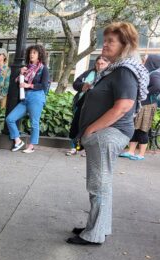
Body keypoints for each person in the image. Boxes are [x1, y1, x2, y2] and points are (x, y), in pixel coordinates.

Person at [67, 22, 149, 245]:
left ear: (125, 45)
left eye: (111, 42)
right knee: (101, 183)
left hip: (107, 135)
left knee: (98, 185)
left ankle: (94, 235)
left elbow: (123, 106)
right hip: (106, 135)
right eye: (105, 41)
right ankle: (98, 227)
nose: (105, 46)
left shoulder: (124, 71)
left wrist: (92, 129)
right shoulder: (116, 68)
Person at [6, 44, 50, 154]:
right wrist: (21, 73)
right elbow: (18, 82)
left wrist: (28, 86)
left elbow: (44, 86)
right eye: (30, 52)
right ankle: (18, 141)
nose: (31, 54)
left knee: (34, 122)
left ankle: (31, 146)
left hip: (36, 97)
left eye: (34, 53)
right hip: (25, 98)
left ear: (39, 55)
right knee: (10, 119)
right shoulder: (26, 68)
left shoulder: (43, 69)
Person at [67, 56, 110, 156]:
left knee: (91, 127)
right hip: (82, 102)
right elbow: (75, 84)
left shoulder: (109, 76)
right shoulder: (89, 73)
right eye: (97, 63)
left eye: (102, 64)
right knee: (76, 125)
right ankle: (74, 147)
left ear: (108, 64)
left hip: (97, 107)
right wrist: (83, 86)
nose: (99, 66)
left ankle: (87, 149)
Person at [119, 54, 160, 160]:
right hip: (143, 104)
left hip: (147, 105)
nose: (143, 61)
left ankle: (141, 154)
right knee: (135, 127)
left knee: (143, 128)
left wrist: (143, 94)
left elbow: (157, 86)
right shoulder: (148, 72)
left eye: (146, 59)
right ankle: (131, 151)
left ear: (151, 61)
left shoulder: (154, 74)